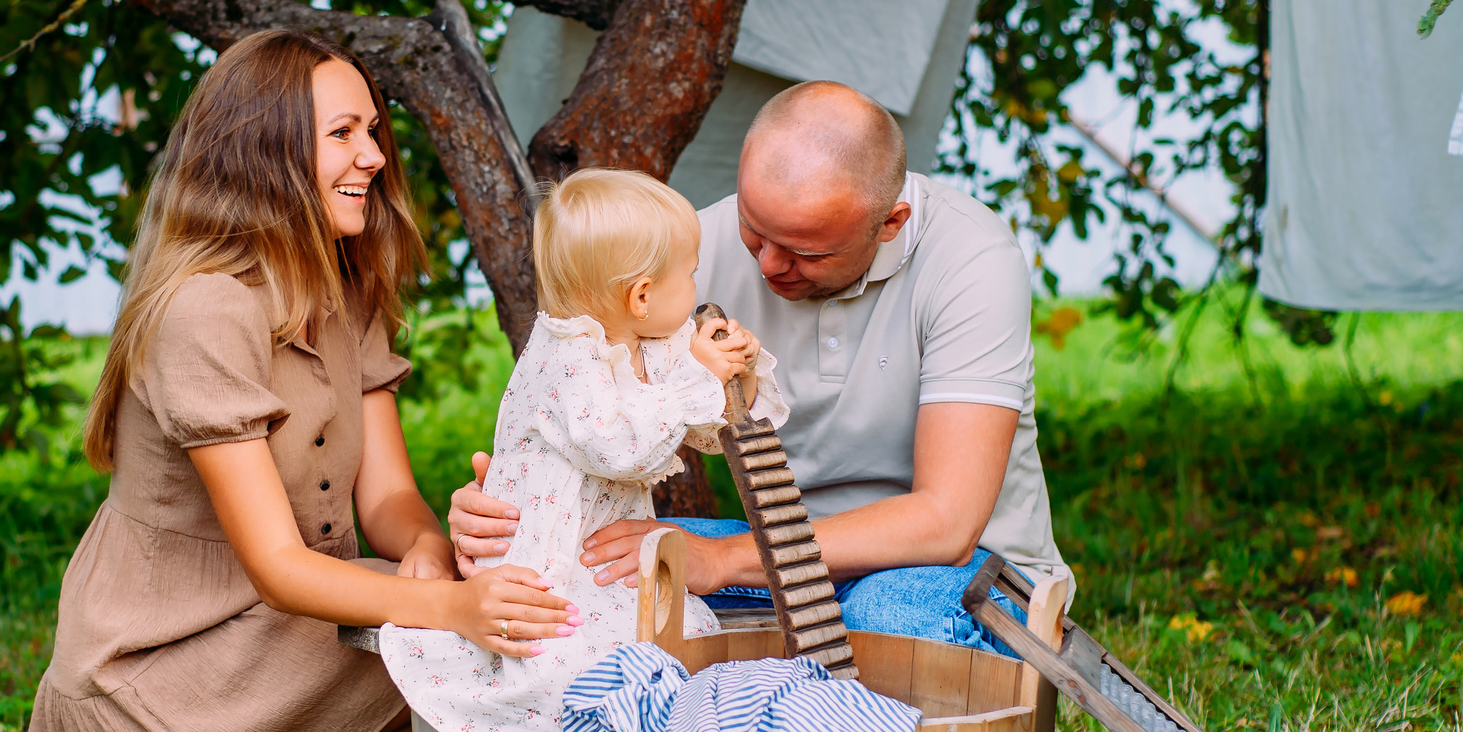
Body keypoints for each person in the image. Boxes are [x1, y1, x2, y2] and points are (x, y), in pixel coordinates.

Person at [19, 30, 576, 732]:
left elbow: (387, 495)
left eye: (374, 132)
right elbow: (280, 567)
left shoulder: (346, 285)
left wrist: (426, 553)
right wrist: (454, 608)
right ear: (268, 150)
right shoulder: (204, 311)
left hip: (294, 638)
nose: (375, 157)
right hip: (165, 672)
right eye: (344, 134)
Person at [449, 80, 1061, 651]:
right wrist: (512, 510)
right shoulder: (689, 249)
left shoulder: (972, 261)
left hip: (964, 565)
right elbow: (582, 391)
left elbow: (946, 523)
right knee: (590, 562)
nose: (766, 267)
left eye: (805, 252)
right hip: (782, 547)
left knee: (885, 621)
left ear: (889, 224)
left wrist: (724, 561)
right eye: (752, 230)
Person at [380, 171, 778, 732]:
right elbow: (620, 445)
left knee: (685, 632)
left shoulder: (645, 340)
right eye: (689, 275)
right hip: (543, 563)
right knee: (559, 660)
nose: (698, 286)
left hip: (601, 560)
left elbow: (710, 431)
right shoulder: (568, 358)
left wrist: (731, 375)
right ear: (641, 295)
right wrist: (695, 375)